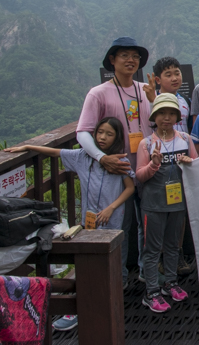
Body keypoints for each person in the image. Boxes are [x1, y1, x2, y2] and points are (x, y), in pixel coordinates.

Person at [8, 117, 136, 331]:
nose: (103, 137)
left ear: (117, 138)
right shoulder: (83, 157)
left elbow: (129, 187)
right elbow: (57, 153)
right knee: (89, 260)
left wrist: (111, 207)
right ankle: (89, 304)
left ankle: (110, 298)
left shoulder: (119, 160)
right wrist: (28, 146)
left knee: (114, 260)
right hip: (90, 223)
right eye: (100, 132)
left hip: (112, 219)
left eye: (109, 134)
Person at [76, 36, 152, 304]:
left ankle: (147, 272)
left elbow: (162, 122)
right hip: (115, 172)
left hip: (146, 167)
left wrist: (155, 99)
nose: (131, 60)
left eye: (135, 56)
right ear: (112, 60)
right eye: (124, 55)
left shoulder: (146, 90)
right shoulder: (98, 93)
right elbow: (82, 132)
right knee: (119, 225)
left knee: (149, 222)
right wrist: (100, 158)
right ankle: (116, 278)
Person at [136, 94, 197, 313]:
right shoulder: (147, 143)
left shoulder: (185, 139)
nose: (167, 118)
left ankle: (170, 282)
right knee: (152, 249)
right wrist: (153, 164)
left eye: (171, 113)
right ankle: (152, 291)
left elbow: (196, 166)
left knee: (173, 245)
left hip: (178, 203)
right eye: (162, 113)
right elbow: (140, 176)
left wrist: (189, 163)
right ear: (155, 116)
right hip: (153, 205)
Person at [144, 57, 191, 133]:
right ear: (158, 80)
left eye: (177, 74)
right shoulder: (151, 99)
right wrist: (153, 101)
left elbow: (190, 127)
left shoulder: (186, 100)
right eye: (168, 75)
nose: (174, 79)